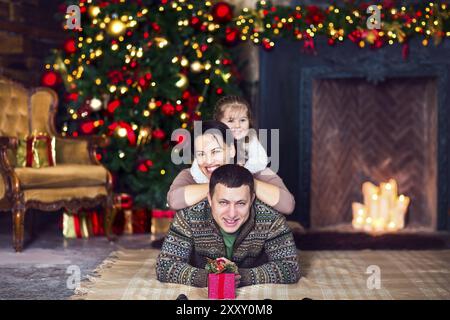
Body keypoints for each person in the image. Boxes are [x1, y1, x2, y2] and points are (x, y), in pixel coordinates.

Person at [156, 164, 300, 287]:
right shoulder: (188, 216)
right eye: (223, 202)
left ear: (252, 200)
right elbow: (165, 266)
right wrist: (206, 278)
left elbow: (291, 267)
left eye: (241, 203)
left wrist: (243, 277)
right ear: (210, 199)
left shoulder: (271, 217)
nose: (232, 214)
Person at [167, 120, 295, 215]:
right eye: (201, 154)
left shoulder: (258, 170)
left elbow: (287, 205)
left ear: (232, 150)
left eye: (215, 151)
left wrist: (244, 180)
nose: (208, 160)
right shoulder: (190, 174)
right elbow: (174, 201)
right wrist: (220, 184)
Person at [213, 95, 268, 173]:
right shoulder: (213, 139)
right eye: (231, 121)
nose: (237, 125)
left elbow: (260, 161)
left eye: (242, 120)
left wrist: (243, 171)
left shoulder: (250, 138)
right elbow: (199, 168)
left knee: (270, 177)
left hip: (245, 176)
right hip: (218, 177)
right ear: (218, 122)